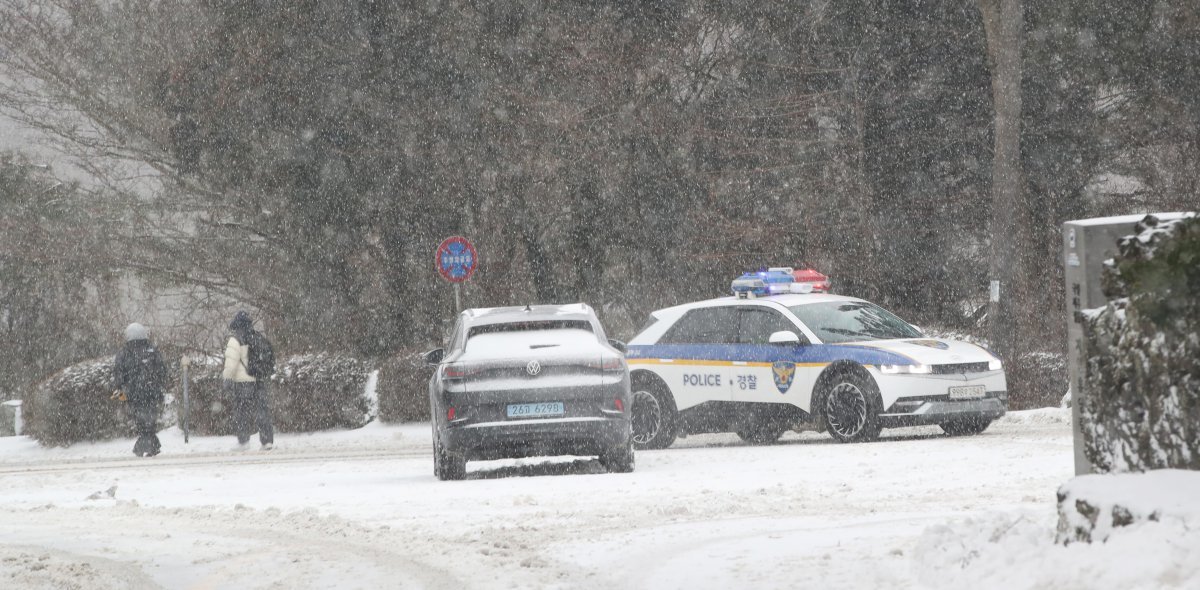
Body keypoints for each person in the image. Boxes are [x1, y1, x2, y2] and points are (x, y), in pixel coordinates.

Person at [113, 323, 168, 457]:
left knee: (141, 421)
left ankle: (145, 446)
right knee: (150, 420)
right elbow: (162, 371)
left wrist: (119, 389)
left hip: (134, 393)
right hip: (152, 392)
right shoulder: (152, 350)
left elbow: (119, 373)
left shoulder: (125, 353)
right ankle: (150, 446)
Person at [223, 311, 275, 450]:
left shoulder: (235, 340)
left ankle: (243, 442)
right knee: (262, 411)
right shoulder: (257, 337)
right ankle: (267, 441)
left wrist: (227, 378)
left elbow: (231, 363)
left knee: (242, 412)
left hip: (242, 382)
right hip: (259, 379)